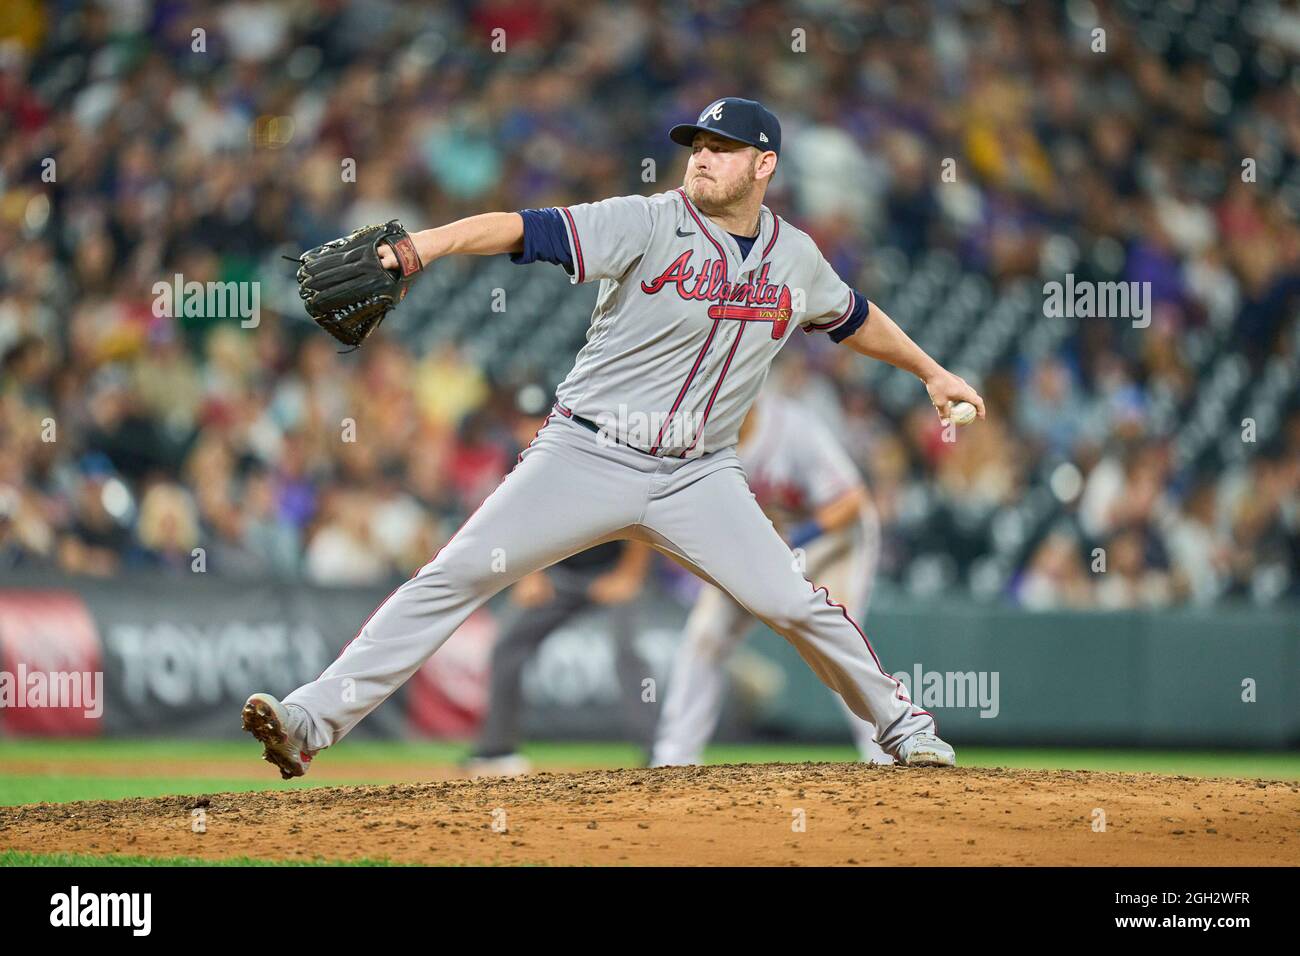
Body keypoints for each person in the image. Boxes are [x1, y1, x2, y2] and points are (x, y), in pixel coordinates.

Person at [242, 96, 985, 779]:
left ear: (765, 166)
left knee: (794, 603)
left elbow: (854, 316)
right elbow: (522, 229)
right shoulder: (645, 219)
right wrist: (418, 250)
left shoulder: (797, 257)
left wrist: (930, 370)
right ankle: (309, 719)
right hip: (586, 453)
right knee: (456, 574)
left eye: (723, 148)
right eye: (697, 143)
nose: (701, 156)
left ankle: (906, 728)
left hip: (700, 475)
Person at [651, 392, 892, 766]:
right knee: (705, 635)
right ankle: (674, 757)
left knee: (836, 636)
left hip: (833, 540)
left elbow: (852, 501)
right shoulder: (694, 443)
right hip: (765, 545)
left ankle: (886, 748)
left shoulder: (794, 428)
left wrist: (795, 541)